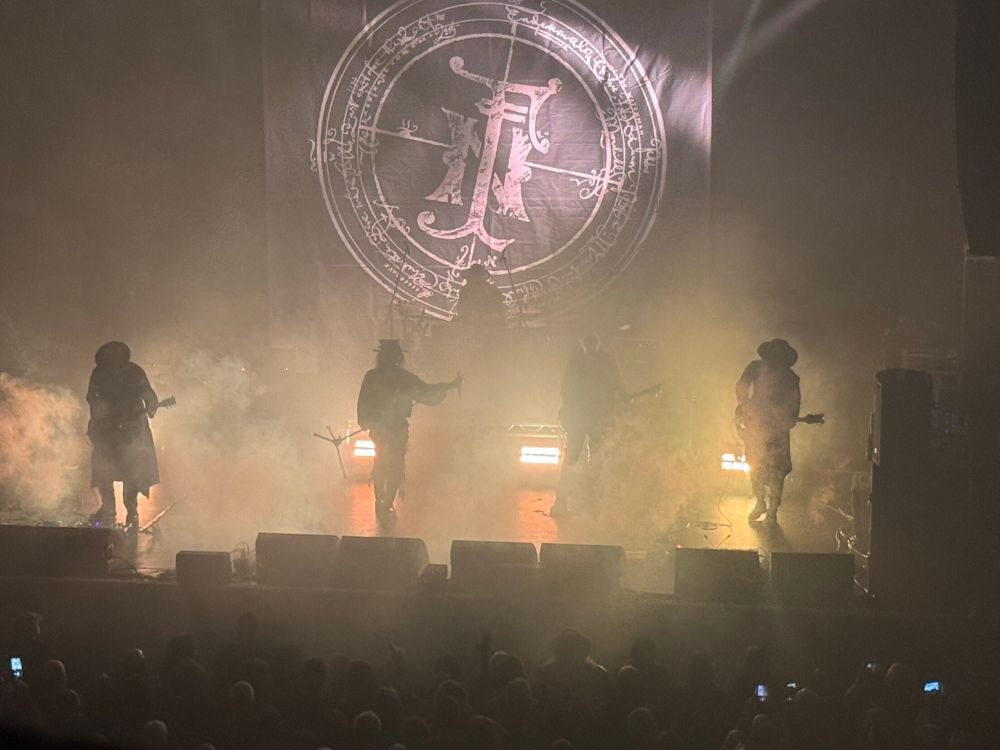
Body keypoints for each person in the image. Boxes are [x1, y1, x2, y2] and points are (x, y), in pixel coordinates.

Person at [356, 340, 461, 519]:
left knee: (381, 461)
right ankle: (386, 503)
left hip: (380, 428)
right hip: (395, 427)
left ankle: (380, 500)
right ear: (398, 357)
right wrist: (450, 386)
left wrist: (366, 421)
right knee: (395, 464)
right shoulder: (402, 377)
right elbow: (427, 392)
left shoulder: (372, 376)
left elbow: (362, 401)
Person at [86, 341, 160, 527]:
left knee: (131, 472)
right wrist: (98, 420)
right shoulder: (99, 373)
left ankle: (131, 511)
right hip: (106, 430)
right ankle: (108, 508)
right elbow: (92, 398)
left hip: (131, 432)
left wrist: (151, 404)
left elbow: (148, 393)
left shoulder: (134, 372)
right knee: (104, 471)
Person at [553, 333, 625, 515]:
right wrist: (567, 411)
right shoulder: (577, 361)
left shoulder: (606, 361)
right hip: (580, 417)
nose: (591, 346)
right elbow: (566, 386)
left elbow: (617, 384)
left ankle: (593, 503)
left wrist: (621, 399)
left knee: (596, 460)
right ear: (584, 344)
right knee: (571, 459)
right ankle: (562, 501)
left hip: (597, 417)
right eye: (588, 343)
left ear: (598, 344)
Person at [735, 338, 801, 525]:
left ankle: (772, 510)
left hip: (778, 428)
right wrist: (745, 406)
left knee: (777, 469)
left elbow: (795, 401)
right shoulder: (755, 368)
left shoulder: (790, 377)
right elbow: (741, 387)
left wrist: (789, 417)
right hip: (756, 425)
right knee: (755, 464)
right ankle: (761, 502)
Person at [453, 263, 505, 330]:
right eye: (470, 279)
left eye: (475, 279)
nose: (472, 282)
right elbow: (461, 311)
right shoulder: (465, 291)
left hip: (488, 330)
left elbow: (499, 315)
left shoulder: (492, 292)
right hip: (469, 330)